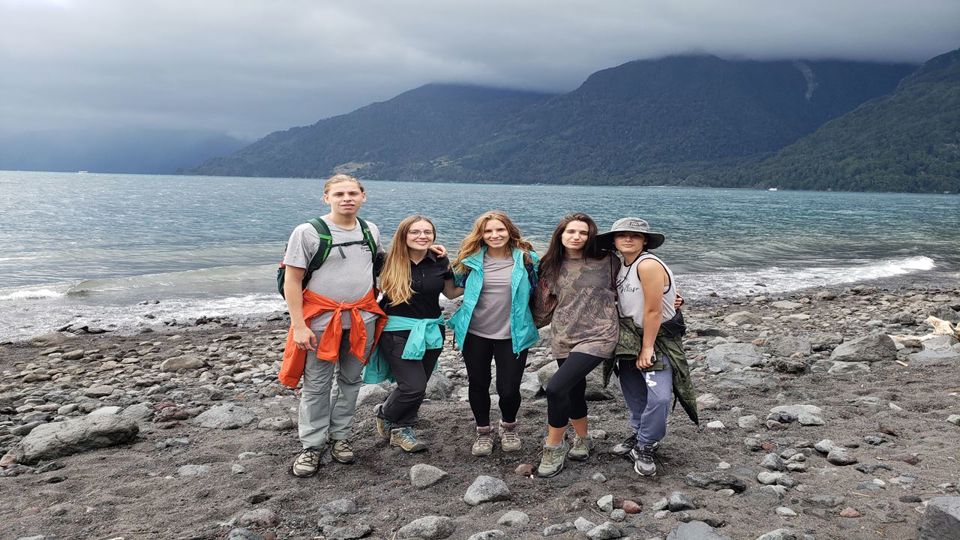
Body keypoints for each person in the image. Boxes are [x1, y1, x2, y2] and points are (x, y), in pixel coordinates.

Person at [278, 174, 386, 478]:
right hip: (321, 323)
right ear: (327, 198)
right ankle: (312, 445)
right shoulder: (308, 232)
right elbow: (292, 280)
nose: (347, 198)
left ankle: (340, 438)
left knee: (351, 382)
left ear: (364, 196)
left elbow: (378, 267)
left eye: (353, 193)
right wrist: (298, 326)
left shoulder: (370, 230)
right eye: (339, 194)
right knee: (316, 385)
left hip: (362, 319)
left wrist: (429, 253)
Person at [597, 217, 698, 477]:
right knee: (634, 392)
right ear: (615, 242)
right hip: (629, 337)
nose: (628, 239)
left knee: (660, 396)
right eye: (622, 235)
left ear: (644, 241)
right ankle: (639, 434)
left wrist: (647, 348)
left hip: (656, 338)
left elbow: (653, 310)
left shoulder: (648, 264)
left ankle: (646, 444)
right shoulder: (621, 265)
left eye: (635, 235)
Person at [532, 213, 619, 477]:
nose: (577, 237)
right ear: (560, 234)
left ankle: (554, 446)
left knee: (556, 387)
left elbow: (634, 285)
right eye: (571, 232)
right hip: (564, 335)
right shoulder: (550, 265)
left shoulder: (608, 261)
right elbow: (540, 304)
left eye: (583, 232)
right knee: (573, 391)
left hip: (599, 334)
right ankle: (583, 439)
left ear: (590, 236)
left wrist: (670, 299)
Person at [448, 211, 540, 456]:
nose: (494, 235)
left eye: (499, 230)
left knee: (508, 388)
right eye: (488, 231)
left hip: (514, 333)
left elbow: (542, 290)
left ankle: (509, 426)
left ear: (509, 231)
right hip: (475, 332)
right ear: (481, 235)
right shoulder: (470, 260)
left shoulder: (527, 259)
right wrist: (436, 263)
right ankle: (483, 432)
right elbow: (452, 291)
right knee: (478, 383)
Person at [371, 215, 459, 453]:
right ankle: (385, 413)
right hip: (397, 330)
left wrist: (483, 276)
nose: (422, 236)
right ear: (403, 235)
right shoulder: (386, 261)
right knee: (413, 387)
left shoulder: (439, 261)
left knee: (420, 382)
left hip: (432, 329)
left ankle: (402, 429)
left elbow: (450, 293)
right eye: (415, 232)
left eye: (427, 232)